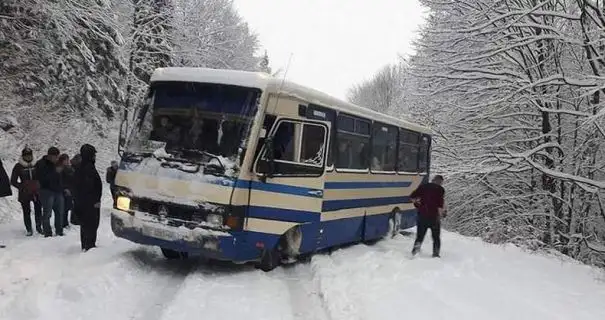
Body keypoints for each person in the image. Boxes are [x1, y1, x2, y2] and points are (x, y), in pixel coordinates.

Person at [410, 175, 446, 257]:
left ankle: (415, 252)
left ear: (433, 180)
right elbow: (440, 204)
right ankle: (436, 254)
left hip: (422, 215)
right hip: (434, 217)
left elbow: (412, 197)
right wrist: (442, 213)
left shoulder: (423, 187)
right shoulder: (440, 189)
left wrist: (417, 204)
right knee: (436, 237)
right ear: (440, 182)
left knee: (420, 236)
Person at [74, 144, 102, 251]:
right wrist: (95, 201)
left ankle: (86, 245)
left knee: (85, 225)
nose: (95, 156)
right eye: (94, 154)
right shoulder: (88, 168)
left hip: (83, 202)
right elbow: (90, 187)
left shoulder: (81, 167)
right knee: (91, 224)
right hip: (90, 203)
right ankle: (89, 246)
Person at [10, 147, 43, 236]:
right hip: (24, 192)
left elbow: (41, 176)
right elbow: (13, 180)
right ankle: (29, 229)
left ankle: (39, 227)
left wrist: (39, 184)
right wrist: (22, 186)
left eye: (29, 155)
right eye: (26, 156)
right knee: (26, 211)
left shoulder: (36, 164)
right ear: (23, 156)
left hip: (36, 191)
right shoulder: (18, 166)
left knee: (38, 209)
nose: (28, 157)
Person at [35, 147, 65, 237]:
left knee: (60, 212)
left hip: (58, 191)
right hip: (46, 191)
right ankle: (47, 233)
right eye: (55, 157)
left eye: (57, 157)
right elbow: (42, 178)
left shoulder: (58, 163)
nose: (56, 159)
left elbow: (63, 176)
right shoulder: (41, 164)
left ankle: (59, 231)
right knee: (47, 213)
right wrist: (55, 172)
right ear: (49, 156)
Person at [59, 154, 74, 229]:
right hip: (64, 190)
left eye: (68, 160)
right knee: (63, 208)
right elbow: (60, 180)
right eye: (66, 160)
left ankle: (65, 222)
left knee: (67, 207)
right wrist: (64, 188)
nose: (68, 161)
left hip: (70, 189)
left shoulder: (70, 168)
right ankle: (63, 223)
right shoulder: (60, 169)